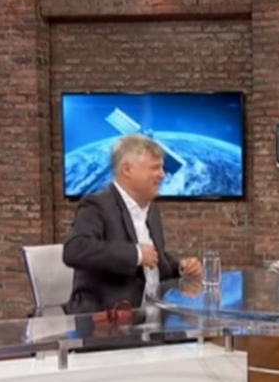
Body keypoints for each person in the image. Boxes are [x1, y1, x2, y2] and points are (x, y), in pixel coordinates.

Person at [62, 134, 202, 314]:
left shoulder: (151, 210)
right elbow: (74, 250)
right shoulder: (96, 206)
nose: (162, 174)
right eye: (155, 168)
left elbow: (155, 256)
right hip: (108, 321)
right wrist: (136, 254)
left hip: (154, 317)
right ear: (127, 169)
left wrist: (181, 268)